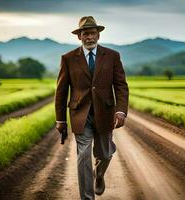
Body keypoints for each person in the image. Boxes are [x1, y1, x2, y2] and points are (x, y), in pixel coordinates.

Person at [54, 16, 129, 200]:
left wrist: (121, 110)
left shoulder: (112, 56)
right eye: (85, 33)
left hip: (105, 113)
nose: (89, 37)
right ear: (79, 36)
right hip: (80, 114)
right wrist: (61, 119)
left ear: (98, 35)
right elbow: (61, 90)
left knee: (104, 153)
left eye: (92, 33)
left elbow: (121, 86)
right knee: (83, 156)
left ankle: (99, 174)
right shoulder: (69, 58)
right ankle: (87, 198)